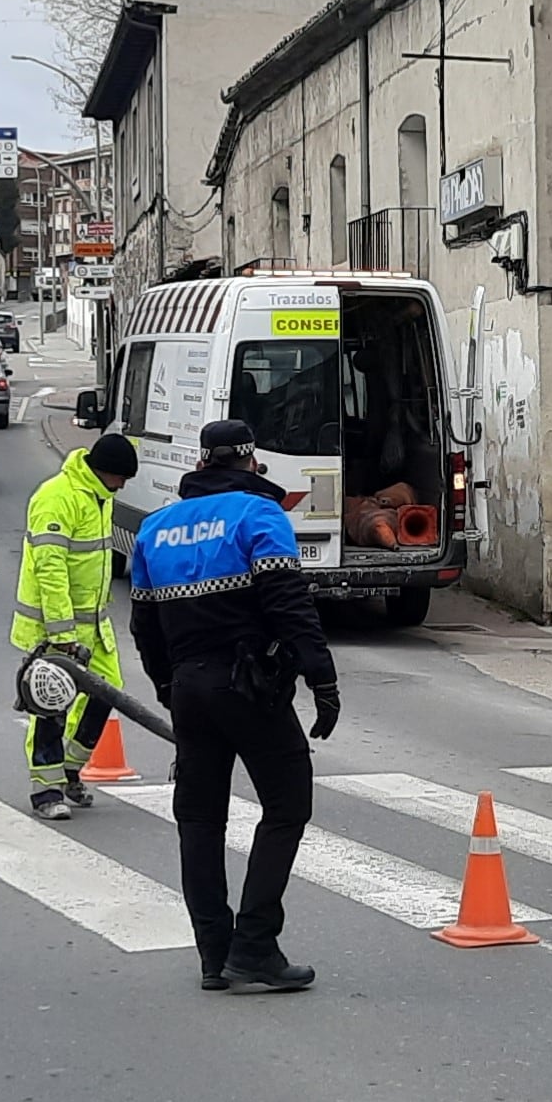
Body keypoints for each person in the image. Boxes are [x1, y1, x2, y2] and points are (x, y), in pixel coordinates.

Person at [127, 417, 339, 992]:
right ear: (250, 463)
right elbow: (290, 603)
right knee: (287, 804)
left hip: (190, 688)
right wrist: (322, 679)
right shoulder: (258, 514)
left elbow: (143, 624)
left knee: (198, 819)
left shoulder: (155, 529)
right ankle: (255, 945)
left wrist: (169, 687)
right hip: (250, 686)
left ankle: (213, 955)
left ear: (201, 463)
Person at [11, 431, 139, 820]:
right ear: (106, 472)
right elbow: (50, 570)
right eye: (122, 478)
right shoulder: (58, 496)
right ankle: (45, 791)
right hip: (56, 631)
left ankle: (70, 771)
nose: (124, 486)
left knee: (108, 694)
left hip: (93, 629)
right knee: (51, 707)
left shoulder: (99, 496)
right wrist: (62, 636)